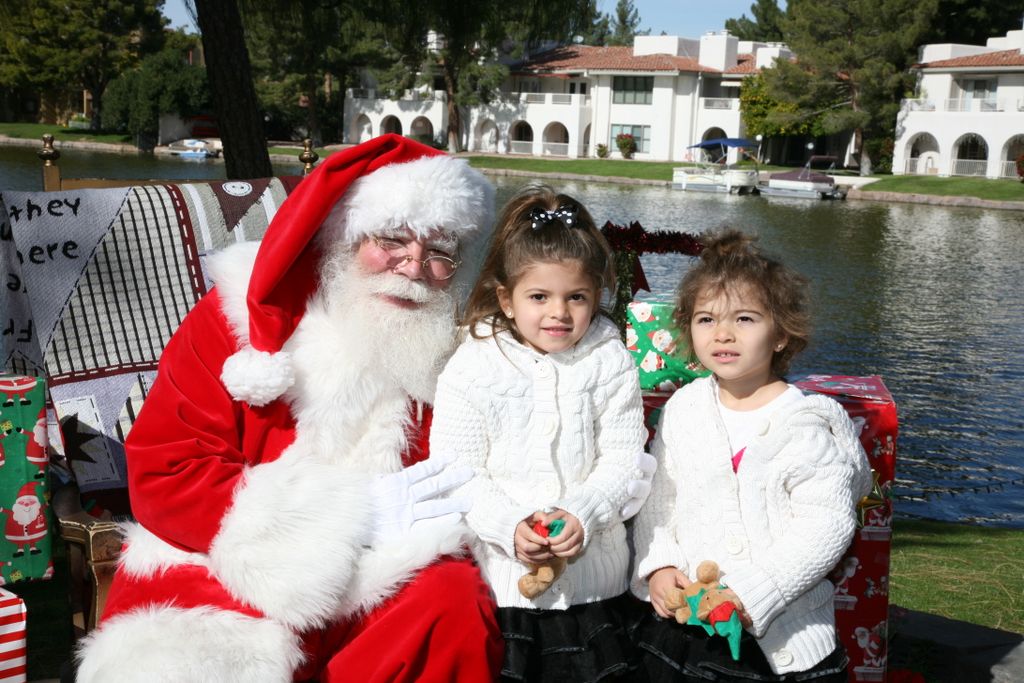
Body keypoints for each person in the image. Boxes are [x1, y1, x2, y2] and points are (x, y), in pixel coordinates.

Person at [74, 135, 505, 682]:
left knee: (452, 600)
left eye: (441, 252)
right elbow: (167, 472)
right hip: (224, 567)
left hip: (386, 570)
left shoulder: (459, 348)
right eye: (392, 238)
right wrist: (349, 515)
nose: (414, 266)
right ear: (344, 234)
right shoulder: (232, 319)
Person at [630, 230, 872, 682]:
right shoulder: (685, 409)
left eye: (744, 319)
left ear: (781, 334)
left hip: (788, 642)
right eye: (706, 320)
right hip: (690, 631)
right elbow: (660, 500)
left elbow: (825, 527)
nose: (722, 333)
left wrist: (749, 592)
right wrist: (660, 564)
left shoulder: (808, 424)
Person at [429, 184, 649, 681]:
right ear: (506, 299)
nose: (559, 312)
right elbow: (457, 472)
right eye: (539, 297)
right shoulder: (474, 365)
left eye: (577, 297)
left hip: (594, 588)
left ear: (596, 296)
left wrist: (585, 512)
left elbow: (624, 460)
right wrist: (509, 526)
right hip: (503, 585)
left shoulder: (609, 361)